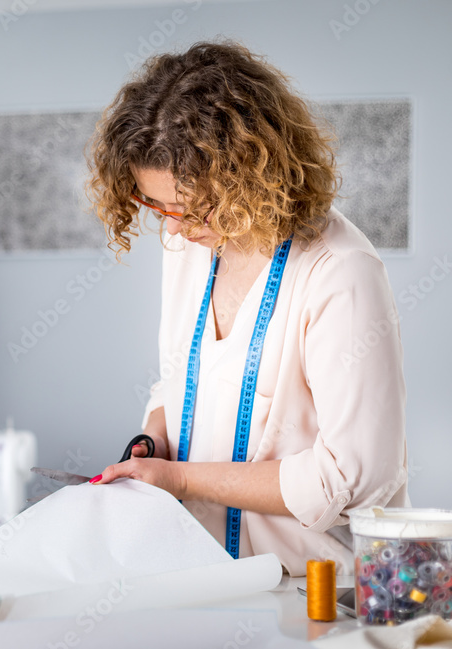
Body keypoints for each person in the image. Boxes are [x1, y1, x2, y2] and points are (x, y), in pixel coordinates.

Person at [84, 41, 409, 575]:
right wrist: (156, 440)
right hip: (208, 577)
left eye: (191, 208)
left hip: (319, 591)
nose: (173, 228)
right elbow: (181, 380)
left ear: (251, 177)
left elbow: (350, 479)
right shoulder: (191, 248)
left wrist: (181, 479)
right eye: (157, 207)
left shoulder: (340, 272)